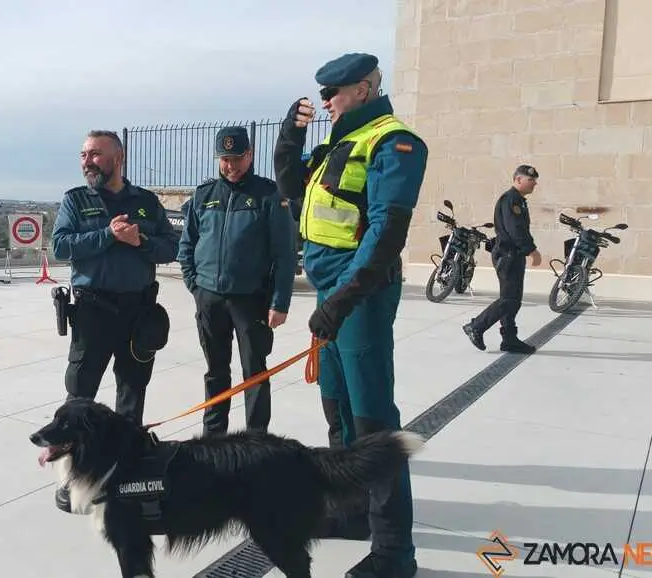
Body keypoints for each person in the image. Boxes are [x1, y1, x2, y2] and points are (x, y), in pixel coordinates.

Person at [273, 52, 426, 578]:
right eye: (322, 96)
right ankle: (351, 510)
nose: (326, 103)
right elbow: (293, 191)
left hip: (359, 296)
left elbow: (386, 232)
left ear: (363, 89)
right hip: (331, 294)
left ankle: (393, 553)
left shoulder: (393, 141)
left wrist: (341, 300)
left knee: (373, 423)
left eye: (333, 94)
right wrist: (288, 139)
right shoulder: (340, 141)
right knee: (336, 408)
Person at [50, 129, 180, 512]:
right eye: (84, 154)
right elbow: (60, 246)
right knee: (80, 395)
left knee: (132, 393)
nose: (87, 161)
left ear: (117, 159)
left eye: (94, 154)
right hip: (93, 311)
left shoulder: (145, 202)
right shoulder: (76, 201)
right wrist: (108, 235)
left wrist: (140, 241)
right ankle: (75, 478)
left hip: (138, 313)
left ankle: (124, 472)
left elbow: (170, 248)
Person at [177, 126, 297, 436]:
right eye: (225, 159)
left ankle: (257, 440)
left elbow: (284, 254)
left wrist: (279, 302)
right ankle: (213, 438)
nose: (231, 166)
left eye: (237, 158)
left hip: (250, 300)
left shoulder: (269, 195)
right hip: (209, 298)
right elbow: (187, 244)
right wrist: (194, 285)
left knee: (253, 373)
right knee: (215, 372)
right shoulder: (204, 195)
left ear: (250, 155)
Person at [462, 166, 541, 354]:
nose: (535, 184)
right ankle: (476, 326)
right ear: (519, 180)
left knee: (513, 299)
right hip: (508, 254)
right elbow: (516, 229)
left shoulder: (519, 201)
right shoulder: (511, 199)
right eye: (531, 180)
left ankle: (509, 339)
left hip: (514, 254)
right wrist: (531, 250)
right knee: (509, 299)